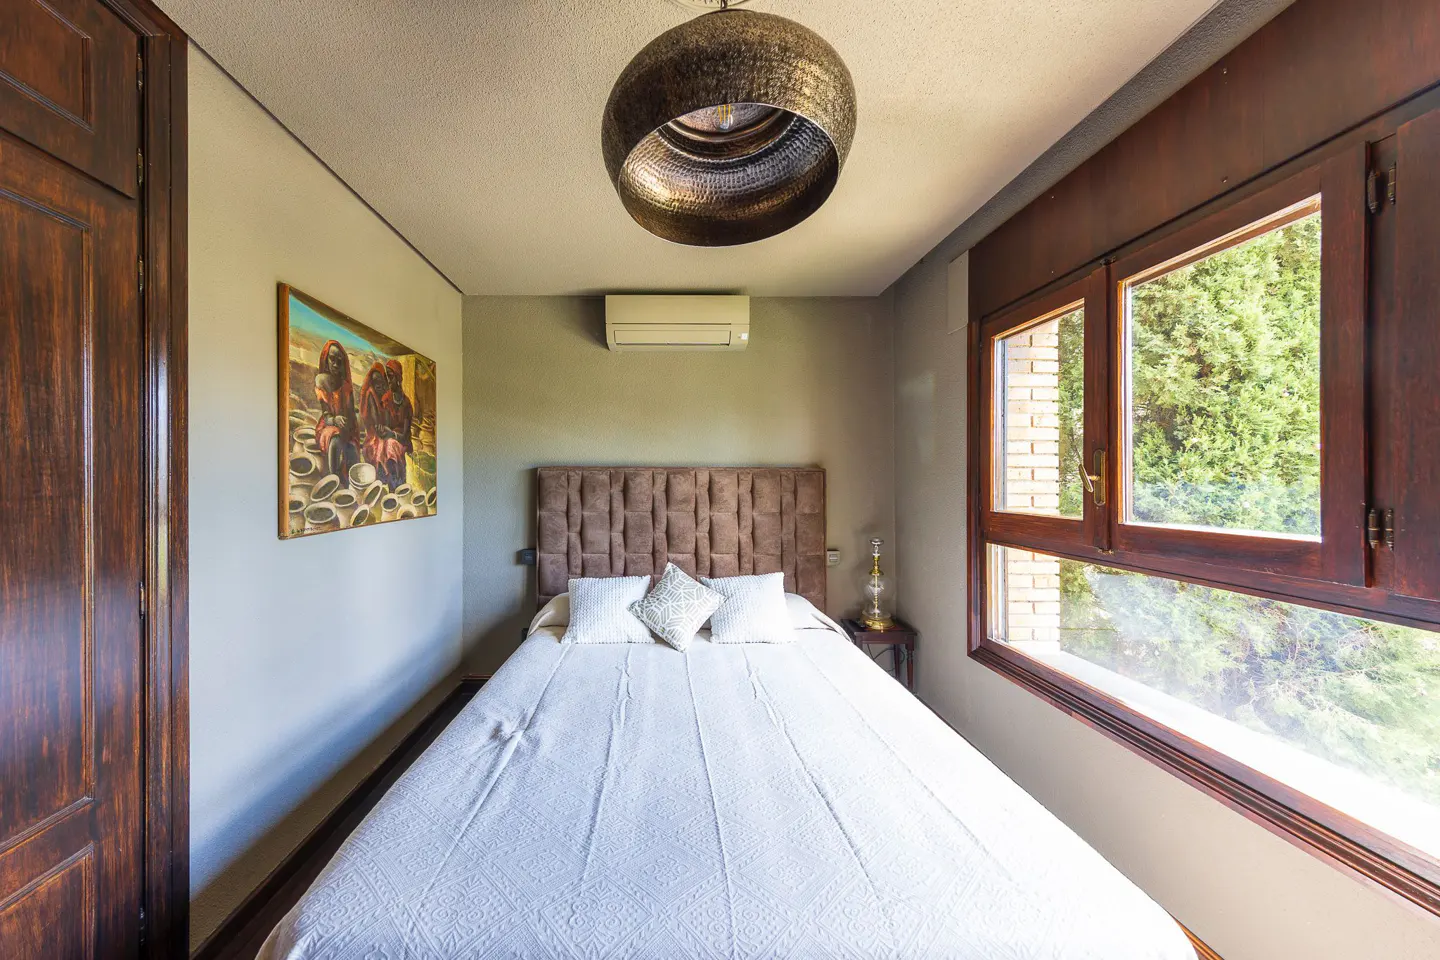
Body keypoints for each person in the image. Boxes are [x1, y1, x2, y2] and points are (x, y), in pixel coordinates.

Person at [313, 340, 359, 480]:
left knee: (352, 449)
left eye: (339, 362)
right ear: (326, 359)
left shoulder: (346, 386)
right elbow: (326, 416)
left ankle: (349, 481)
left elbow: (351, 414)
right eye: (332, 359)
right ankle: (334, 480)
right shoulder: (321, 381)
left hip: (345, 425)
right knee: (335, 440)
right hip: (328, 425)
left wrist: (349, 427)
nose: (335, 365)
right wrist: (335, 420)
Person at [360, 361, 407, 489]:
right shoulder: (371, 394)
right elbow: (377, 426)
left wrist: (385, 399)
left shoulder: (390, 397)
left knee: (391, 446)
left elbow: (389, 422)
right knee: (379, 448)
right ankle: (383, 483)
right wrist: (385, 430)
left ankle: (395, 485)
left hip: (388, 432)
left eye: (382, 381)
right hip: (374, 435)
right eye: (376, 383)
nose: (379, 385)